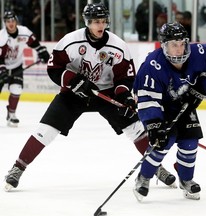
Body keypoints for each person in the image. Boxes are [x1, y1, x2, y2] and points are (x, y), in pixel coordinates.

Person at [4, 3, 175, 192]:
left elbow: (125, 78)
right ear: (87, 23)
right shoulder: (70, 41)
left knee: (135, 128)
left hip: (107, 93)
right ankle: (18, 168)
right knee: (46, 130)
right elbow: (54, 69)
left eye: (103, 21)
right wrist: (73, 81)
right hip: (73, 94)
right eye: (95, 22)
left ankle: (156, 167)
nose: (100, 25)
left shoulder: (118, 46)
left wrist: (125, 96)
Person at [133, 22, 206, 201]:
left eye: (182, 44)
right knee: (162, 143)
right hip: (159, 107)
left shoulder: (198, 54)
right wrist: (154, 125)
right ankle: (143, 178)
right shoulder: (152, 65)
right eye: (174, 44)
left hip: (183, 104)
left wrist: (198, 91)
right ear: (164, 45)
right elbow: (147, 99)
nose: (179, 49)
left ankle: (186, 180)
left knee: (190, 142)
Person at [0, 11, 50, 127]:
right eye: (8, 21)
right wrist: (2, 71)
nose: (11, 23)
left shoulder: (24, 32)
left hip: (16, 66)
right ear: (5, 23)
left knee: (16, 89)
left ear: (16, 21)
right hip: (2, 67)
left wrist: (42, 52)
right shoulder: (1, 38)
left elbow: (35, 43)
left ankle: (11, 114)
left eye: (13, 21)